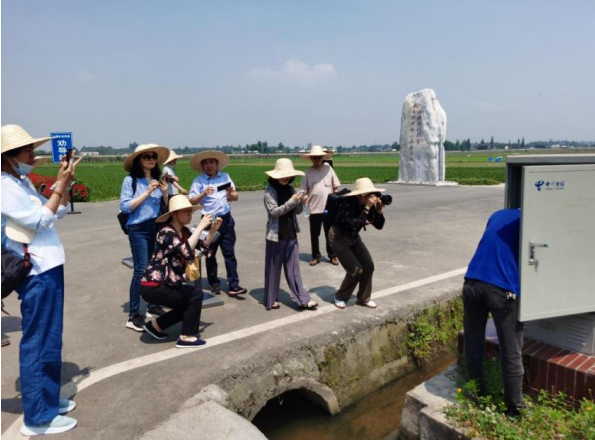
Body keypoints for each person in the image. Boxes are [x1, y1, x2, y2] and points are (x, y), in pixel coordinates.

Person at [1, 124, 80, 436]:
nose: (33, 155)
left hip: (47, 266)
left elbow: (53, 213)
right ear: (8, 157)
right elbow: (39, 220)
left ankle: (47, 399)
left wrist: (65, 187)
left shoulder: (19, 182)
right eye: (27, 150)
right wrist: (59, 185)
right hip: (36, 271)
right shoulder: (4, 186)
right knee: (39, 341)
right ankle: (38, 418)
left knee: (50, 338)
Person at [463, 208, 525, 417]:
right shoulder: (532, 220)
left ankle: (476, 394)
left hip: (472, 281)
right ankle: (515, 408)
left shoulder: (498, 214)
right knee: (511, 348)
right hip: (501, 289)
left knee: (473, 343)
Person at [140, 195, 222, 348]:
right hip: (154, 285)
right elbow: (185, 250)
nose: (189, 215)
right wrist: (199, 227)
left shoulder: (184, 232)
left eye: (190, 211)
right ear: (173, 214)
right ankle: (187, 336)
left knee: (188, 303)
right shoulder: (166, 232)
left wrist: (212, 230)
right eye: (185, 212)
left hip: (165, 284)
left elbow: (202, 246)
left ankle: (155, 326)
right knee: (196, 294)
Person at [120, 144, 170, 332]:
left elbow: (165, 207)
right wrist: (147, 192)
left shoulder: (158, 180)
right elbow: (126, 207)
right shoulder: (131, 181)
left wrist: (164, 193)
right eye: (146, 156)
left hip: (155, 226)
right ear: (138, 160)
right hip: (138, 228)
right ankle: (133, 314)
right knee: (141, 269)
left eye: (153, 157)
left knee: (154, 268)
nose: (151, 159)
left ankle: (151, 305)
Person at [188, 151, 247, 297]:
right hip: (208, 220)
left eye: (212, 162)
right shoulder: (198, 181)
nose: (209, 165)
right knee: (210, 253)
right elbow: (191, 201)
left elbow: (235, 196)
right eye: (206, 163)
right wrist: (203, 194)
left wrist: (230, 192)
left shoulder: (225, 177)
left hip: (226, 219)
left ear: (217, 164)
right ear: (202, 166)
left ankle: (234, 285)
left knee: (229, 253)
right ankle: (214, 283)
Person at [263, 158, 318, 311]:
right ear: (275, 175)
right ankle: (271, 298)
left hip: (291, 233)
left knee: (294, 268)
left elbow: (298, 211)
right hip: (275, 235)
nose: (285, 177)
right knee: (273, 268)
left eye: (288, 175)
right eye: (282, 175)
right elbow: (274, 212)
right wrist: (293, 201)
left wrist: (302, 202)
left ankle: (303, 299)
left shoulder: (291, 189)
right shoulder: (269, 191)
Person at [329, 178, 386, 309]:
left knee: (368, 265)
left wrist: (379, 210)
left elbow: (379, 225)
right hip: (338, 237)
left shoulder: (370, 205)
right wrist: (366, 208)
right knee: (355, 270)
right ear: (360, 195)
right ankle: (340, 296)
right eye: (368, 194)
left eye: (373, 194)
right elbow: (354, 225)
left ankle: (363, 298)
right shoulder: (347, 203)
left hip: (354, 237)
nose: (372, 197)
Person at [300, 145, 341, 266]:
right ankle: (315, 256)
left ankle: (332, 255)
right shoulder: (307, 172)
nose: (317, 159)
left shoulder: (329, 169)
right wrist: (303, 197)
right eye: (314, 157)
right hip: (313, 208)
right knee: (314, 234)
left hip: (328, 208)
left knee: (330, 233)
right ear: (311, 158)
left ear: (323, 157)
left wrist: (337, 202)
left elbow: (336, 187)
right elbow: (303, 189)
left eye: (319, 157)